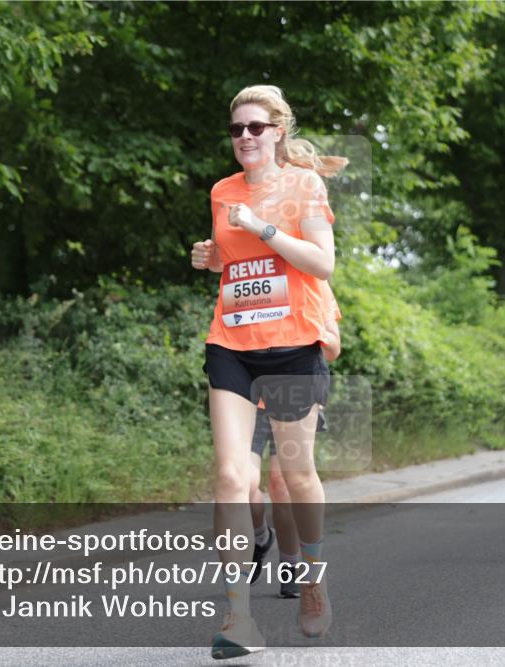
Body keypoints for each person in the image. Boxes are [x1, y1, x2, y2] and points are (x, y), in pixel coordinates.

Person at [190, 84, 347, 659]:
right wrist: (213, 259)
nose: (246, 138)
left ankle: (312, 578)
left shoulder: (305, 185)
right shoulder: (221, 190)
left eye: (256, 128)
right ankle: (238, 618)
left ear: (278, 131)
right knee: (232, 478)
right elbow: (240, 274)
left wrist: (262, 228)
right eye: (237, 130)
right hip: (231, 344)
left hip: (292, 348)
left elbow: (322, 263)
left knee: (297, 477)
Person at [248, 281, 341, 599]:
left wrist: (308, 334)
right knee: (242, 486)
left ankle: (291, 566)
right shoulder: (253, 278)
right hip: (247, 396)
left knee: (281, 483)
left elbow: (333, 347)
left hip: (293, 391)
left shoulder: (315, 282)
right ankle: (261, 537)